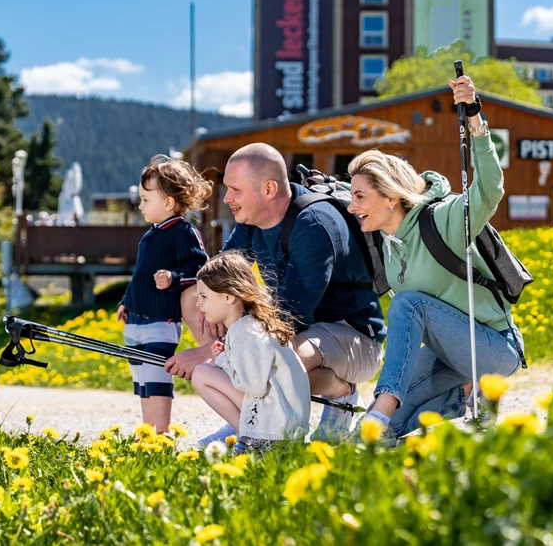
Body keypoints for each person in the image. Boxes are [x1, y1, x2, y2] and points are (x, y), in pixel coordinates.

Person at [168, 142, 386, 445]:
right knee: (198, 299)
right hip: (294, 330)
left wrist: (208, 352)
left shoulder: (314, 224)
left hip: (352, 337)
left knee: (280, 358)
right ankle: (245, 421)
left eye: (236, 190)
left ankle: (340, 392)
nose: (227, 198)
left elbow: (290, 315)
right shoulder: (251, 218)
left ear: (269, 189)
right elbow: (219, 278)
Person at [346, 75, 524, 441]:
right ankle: (462, 397)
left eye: (360, 197)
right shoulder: (388, 246)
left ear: (390, 197)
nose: (352, 206)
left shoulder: (441, 220)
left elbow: (490, 190)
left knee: (408, 306)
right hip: (449, 355)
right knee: (383, 426)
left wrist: (474, 118)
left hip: (492, 349)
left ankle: (384, 412)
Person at [117, 155, 212, 432]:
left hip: (161, 321)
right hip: (136, 320)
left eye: (146, 199)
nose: (140, 204)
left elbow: (200, 270)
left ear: (168, 203)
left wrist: (174, 278)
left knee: (157, 376)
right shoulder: (149, 236)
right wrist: (126, 301)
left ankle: (162, 430)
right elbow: (140, 276)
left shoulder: (184, 232)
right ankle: (148, 429)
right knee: (142, 378)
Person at [190, 251, 311, 452]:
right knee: (209, 368)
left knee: (202, 373)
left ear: (228, 297)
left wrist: (222, 361)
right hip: (286, 426)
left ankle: (250, 438)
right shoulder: (252, 325)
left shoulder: (243, 331)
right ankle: (250, 435)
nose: (198, 303)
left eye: (204, 296)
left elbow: (253, 386)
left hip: (276, 431)